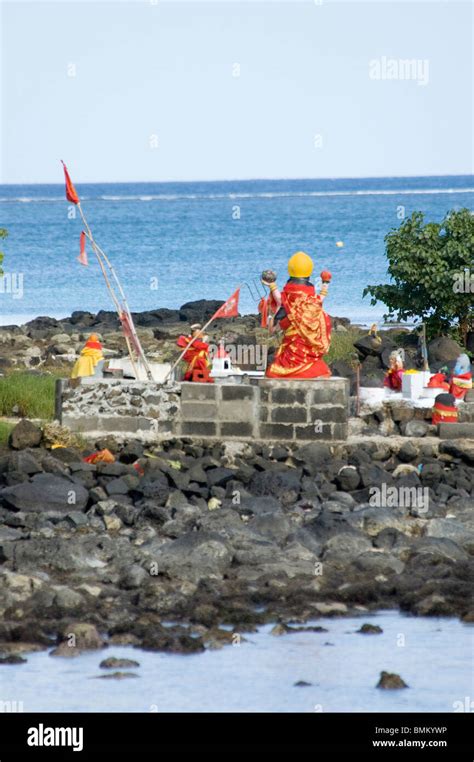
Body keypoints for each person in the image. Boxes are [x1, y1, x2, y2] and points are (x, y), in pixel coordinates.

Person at [264, 251, 332, 379]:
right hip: (310, 356)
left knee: (275, 371)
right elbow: (321, 298)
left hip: (291, 353)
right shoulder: (313, 301)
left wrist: (272, 285)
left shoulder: (287, 300)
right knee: (317, 367)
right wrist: (325, 283)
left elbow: (273, 325)